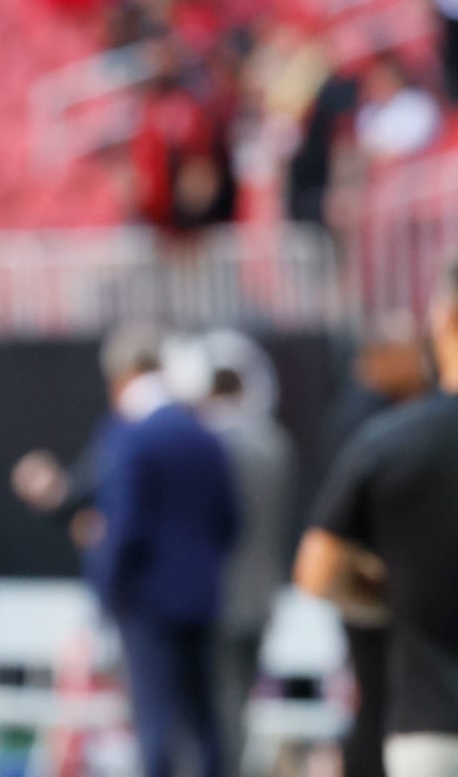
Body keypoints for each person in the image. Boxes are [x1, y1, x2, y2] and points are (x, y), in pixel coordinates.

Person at [296, 258, 458, 777]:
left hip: (429, 720)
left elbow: (317, 572)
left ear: (445, 321)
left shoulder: (388, 441)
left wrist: (387, 595)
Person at [88, 325, 238, 777]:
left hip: (146, 601)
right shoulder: (204, 433)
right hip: (202, 596)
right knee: (203, 718)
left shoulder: (132, 435)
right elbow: (230, 521)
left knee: (155, 723)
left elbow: (126, 526)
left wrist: (106, 585)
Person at [197, 342, 294, 777]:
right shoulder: (275, 443)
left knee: (218, 705)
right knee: (239, 704)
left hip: (217, 594)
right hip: (263, 591)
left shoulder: (209, 445)